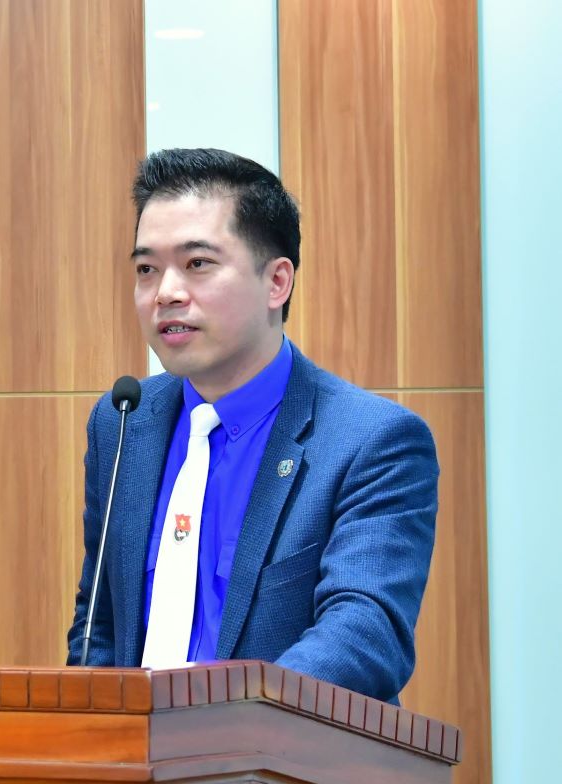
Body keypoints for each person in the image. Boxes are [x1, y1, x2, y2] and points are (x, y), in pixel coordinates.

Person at [66, 148, 438, 704]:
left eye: (197, 264)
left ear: (276, 282)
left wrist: (226, 723)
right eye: (147, 269)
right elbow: (99, 624)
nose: (165, 292)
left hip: (278, 747)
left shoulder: (371, 441)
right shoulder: (123, 421)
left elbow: (365, 635)